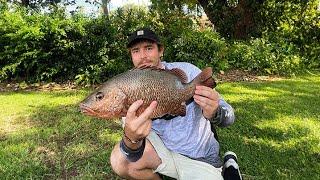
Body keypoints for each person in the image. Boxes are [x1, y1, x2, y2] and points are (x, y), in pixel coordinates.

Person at [110, 28, 242, 180]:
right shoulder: (128, 85)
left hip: (199, 156)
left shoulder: (188, 71)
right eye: (136, 51)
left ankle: (229, 166)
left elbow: (229, 117)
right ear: (131, 56)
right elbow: (132, 152)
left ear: (160, 51)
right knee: (120, 161)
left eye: (148, 48)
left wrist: (215, 111)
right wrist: (130, 138)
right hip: (163, 153)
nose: (143, 57)